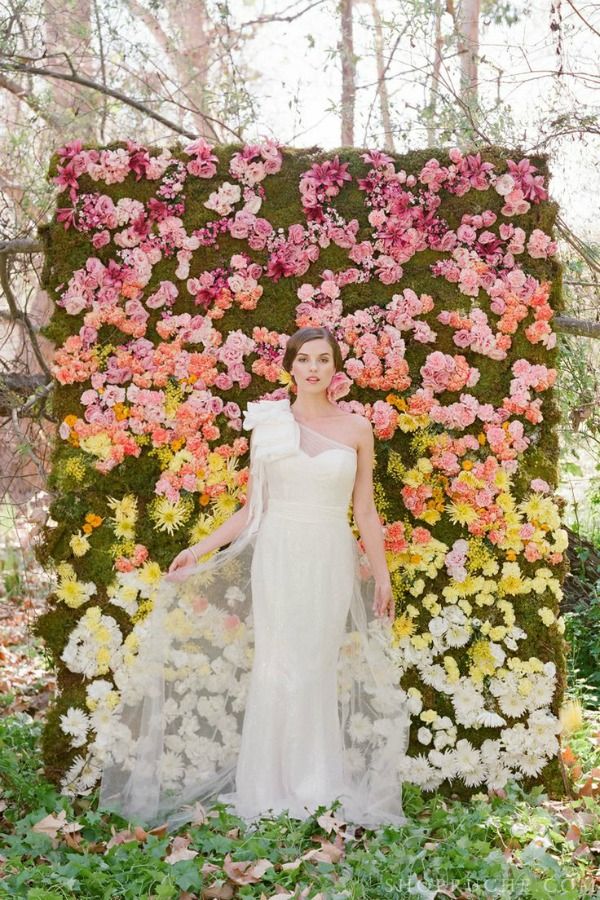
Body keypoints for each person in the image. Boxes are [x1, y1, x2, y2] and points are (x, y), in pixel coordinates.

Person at [97, 326, 411, 832]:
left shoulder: (356, 429)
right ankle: (266, 788)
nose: (313, 368)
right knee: (277, 664)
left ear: (336, 368)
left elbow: (366, 511)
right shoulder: (268, 425)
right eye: (304, 359)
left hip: (329, 556)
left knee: (315, 665)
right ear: (289, 366)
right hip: (279, 555)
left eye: (323, 359)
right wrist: (199, 547)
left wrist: (381, 575)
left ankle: (317, 786)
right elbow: (252, 509)